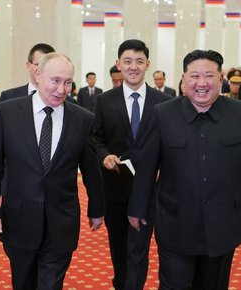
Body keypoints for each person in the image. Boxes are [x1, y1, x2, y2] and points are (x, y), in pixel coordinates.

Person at [127, 49, 241, 289]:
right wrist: (138, 208)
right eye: (194, 76)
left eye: (209, 76)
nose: (201, 83)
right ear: (183, 79)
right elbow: (147, 165)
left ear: (221, 78)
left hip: (224, 222)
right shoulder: (163, 114)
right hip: (176, 222)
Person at [0, 53, 105, 289]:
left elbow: (90, 168)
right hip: (18, 219)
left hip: (61, 223)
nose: (62, 89)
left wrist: (97, 208)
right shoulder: (7, 112)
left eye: (67, 82)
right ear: (38, 75)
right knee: (23, 282)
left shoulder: (83, 119)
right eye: (55, 80)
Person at [92, 39, 171, 290]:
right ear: (118, 64)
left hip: (150, 188)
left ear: (148, 64)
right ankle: (122, 282)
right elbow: (95, 138)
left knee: (139, 248)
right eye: (127, 61)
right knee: (118, 245)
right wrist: (103, 155)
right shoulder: (105, 101)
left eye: (139, 61)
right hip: (115, 188)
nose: (133, 67)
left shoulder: (164, 102)